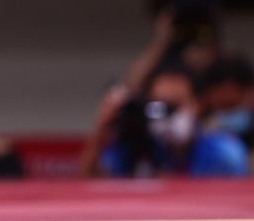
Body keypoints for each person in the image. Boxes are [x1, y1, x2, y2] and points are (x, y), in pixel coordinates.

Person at [82, 66, 249, 178]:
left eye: (175, 106)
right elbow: (90, 178)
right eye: (160, 106)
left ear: (197, 105)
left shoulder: (225, 151)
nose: (167, 116)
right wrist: (102, 126)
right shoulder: (137, 146)